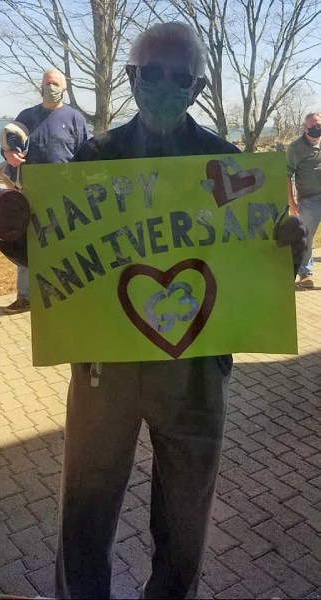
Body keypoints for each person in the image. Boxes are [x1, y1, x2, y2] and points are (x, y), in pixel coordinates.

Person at [52, 22, 306, 600]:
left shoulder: (228, 162)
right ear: (130, 77)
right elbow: (45, 246)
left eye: (179, 77)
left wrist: (291, 245)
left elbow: (266, 263)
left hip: (195, 374)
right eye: (151, 74)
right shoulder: (95, 156)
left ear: (197, 86)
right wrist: (6, 222)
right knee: (84, 522)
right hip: (102, 372)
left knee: (186, 529)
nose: (163, 87)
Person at [1, 68, 89, 314]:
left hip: (66, 193)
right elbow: (9, 146)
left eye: (56, 83)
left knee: (66, 243)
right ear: (41, 86)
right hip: (30, 191)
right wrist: (9, 155)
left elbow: (86, 154)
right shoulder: (26, 116)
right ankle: (25, 297)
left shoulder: (75, 118)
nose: (51, 87)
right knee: (29, 241)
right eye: (48, 83)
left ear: (64, 88)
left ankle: (68, 293)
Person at [287, 111, 321, 288]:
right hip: (309, 201)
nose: (316, 128)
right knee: (306, 238)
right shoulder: (295, 148)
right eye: (313, 125)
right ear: (305, 127)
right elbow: (287, 175)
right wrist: (291, 202)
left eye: (319, 125)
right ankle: (306, 274)